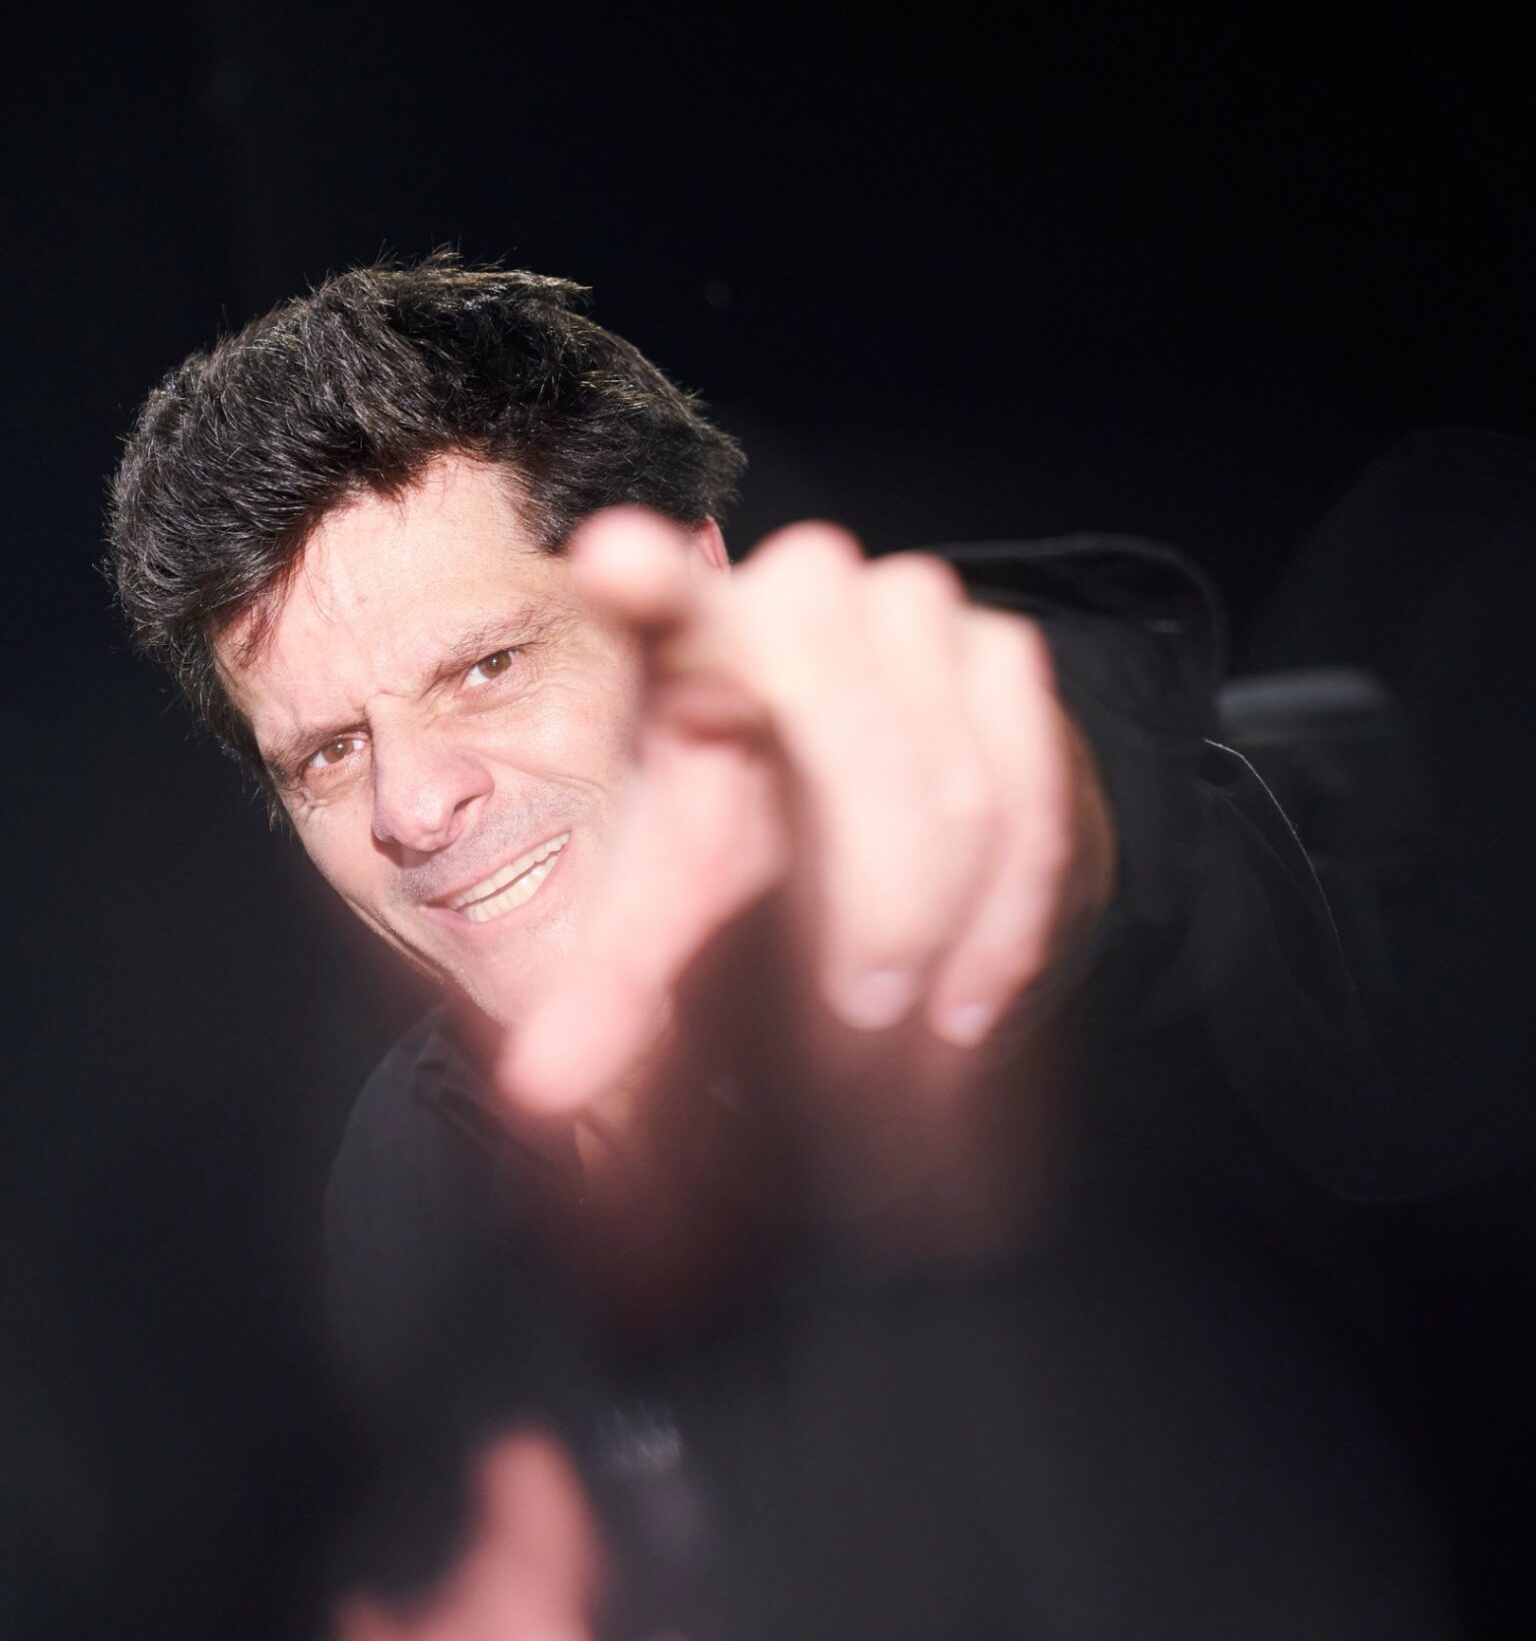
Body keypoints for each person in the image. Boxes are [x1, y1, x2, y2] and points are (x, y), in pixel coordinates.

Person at [103, 257, 1454, 1640]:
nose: (411, 804)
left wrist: (1054, 802)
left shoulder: (1094, 919)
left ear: (692, 591)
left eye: (487, 667)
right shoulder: (404, 1170)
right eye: (331, 753)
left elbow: (1129, 852)